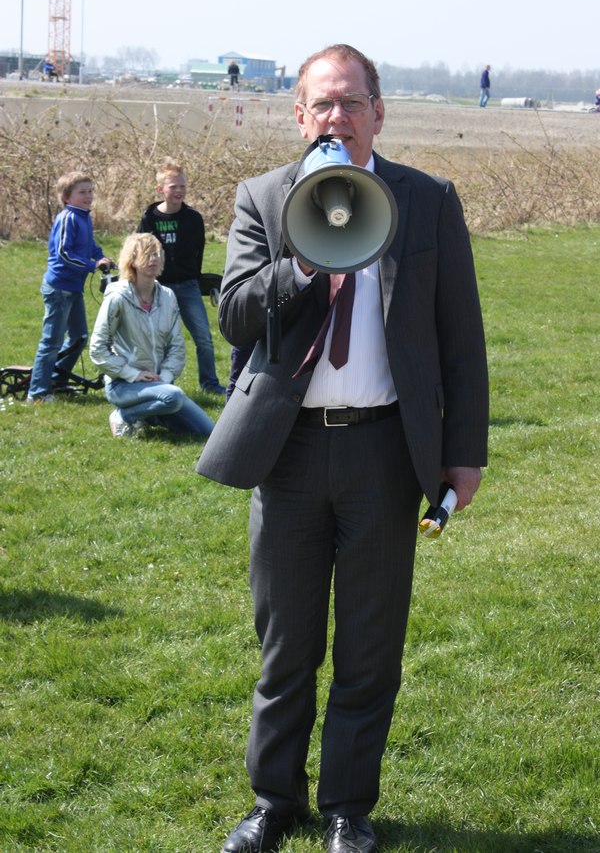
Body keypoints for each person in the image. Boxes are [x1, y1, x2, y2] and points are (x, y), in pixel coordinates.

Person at [196, 43, 489, 853]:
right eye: (321, 104)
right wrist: (306, 262)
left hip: (383, 455)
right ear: (299, 115)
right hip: (286, 456)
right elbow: (235, 315)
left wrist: (464, 453)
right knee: (286, 642)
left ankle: (347, 810)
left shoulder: (427, 200)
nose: (336, 117)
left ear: (378, 112)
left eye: (351, 103)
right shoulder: (263, 197)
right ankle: (272, 800)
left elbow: (460, 338)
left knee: (369, 644)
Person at [89, 233, 214, 439]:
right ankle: (125, 415)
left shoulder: (168, 296)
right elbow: (97, 348)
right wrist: (132, 374)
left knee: (207, 432)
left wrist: (164, 377)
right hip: (124, 385)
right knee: (174, 397)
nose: (154, 259)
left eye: (157, 254)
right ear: (133, 260)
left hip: (160, 385)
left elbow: (177, 347)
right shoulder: (118, 296)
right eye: (148, 254)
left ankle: (149, 416)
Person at [138, 158, 226, 394]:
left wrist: (195, 280)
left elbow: (199, 251)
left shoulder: (193, 218)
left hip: (188, 286)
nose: (178, 191)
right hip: (159, 287)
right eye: (173, 187)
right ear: (160, 190)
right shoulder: (150, 218)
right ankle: (160, 384)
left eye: (182, 186)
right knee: (161, 340)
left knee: (204, 339)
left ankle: (209, 384)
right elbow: (140, 251)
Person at [27, 171, 115, 404]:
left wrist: (102, 258)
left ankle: (56, 379)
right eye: (82, 192)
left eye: (90, 191)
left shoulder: (84, 216)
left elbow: (89, 247)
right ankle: (37, 393)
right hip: (59, 288)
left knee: (79, 338)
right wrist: (91, 265)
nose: (88, 196)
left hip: (73, 289)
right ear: (67, 197)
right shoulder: (68, 218)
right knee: (51, 342)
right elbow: (64, 253)